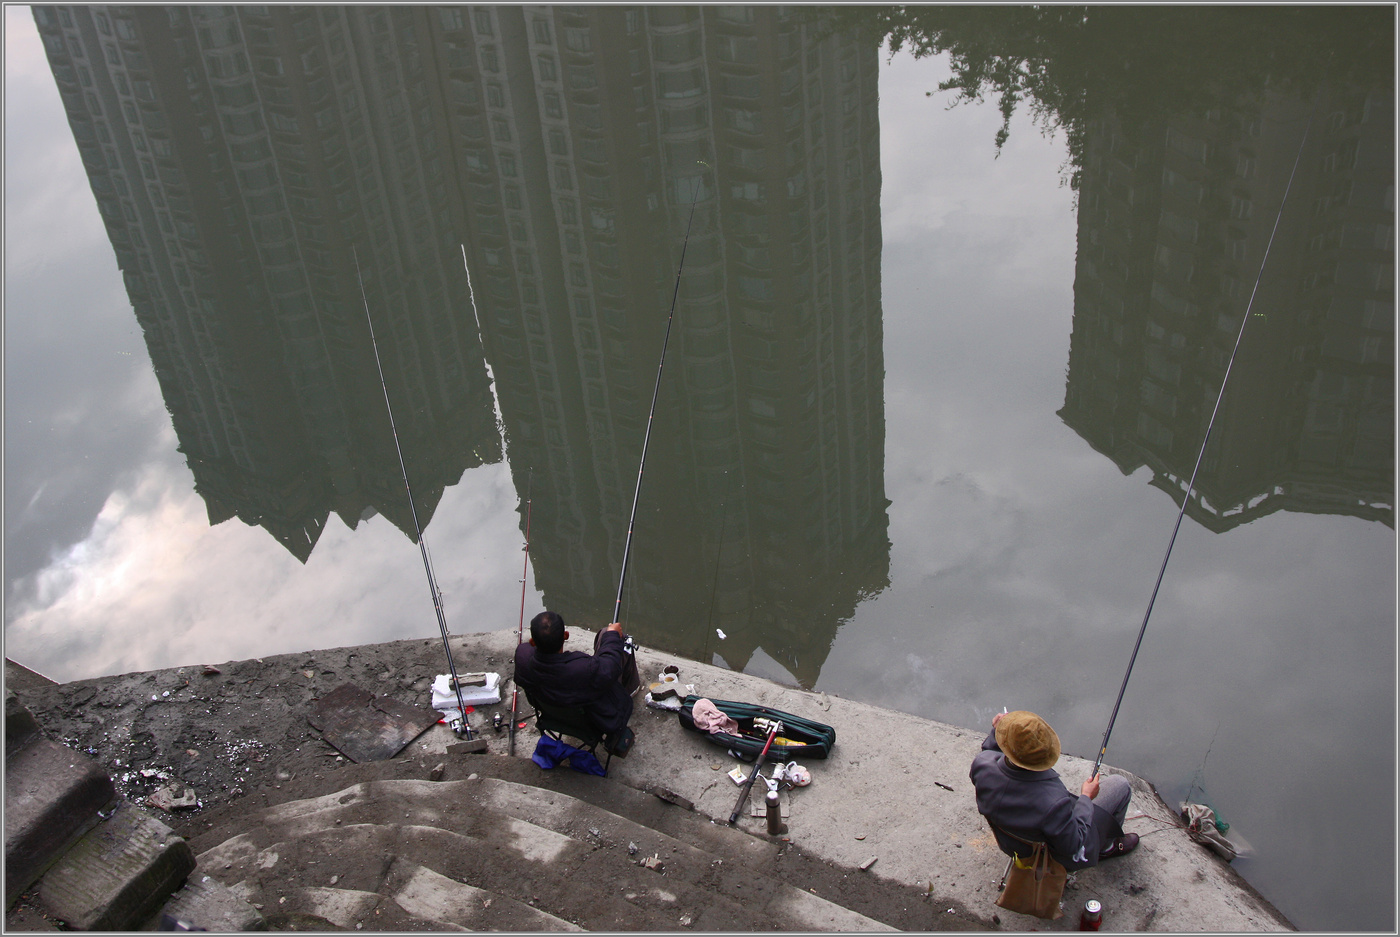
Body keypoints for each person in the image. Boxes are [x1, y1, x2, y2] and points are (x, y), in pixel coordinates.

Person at [969, 710, 1139, 870]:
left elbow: (990, 753)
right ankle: (1107, 847)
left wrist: (999, 733)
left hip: (1010, 844)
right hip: (1047, 857)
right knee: (1120, 785)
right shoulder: (1053, 801)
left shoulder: (981, 764)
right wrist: (1086, 797)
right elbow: (1073, 844)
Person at [514, 611, 638, 756]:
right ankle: (632, 688)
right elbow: (610, 666)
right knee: (615, 642)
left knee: (607, 640)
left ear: (532, 642)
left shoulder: (522, 657)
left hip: (551, 714)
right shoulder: (583, 670)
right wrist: (612, 635)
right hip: (591, 722)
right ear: (566, 636)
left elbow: (526, 650)